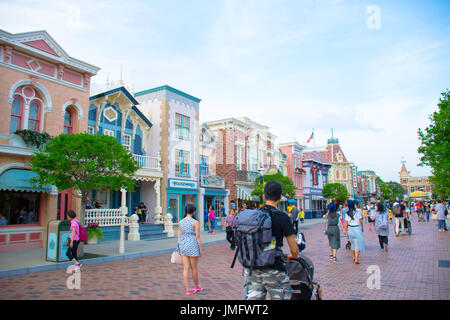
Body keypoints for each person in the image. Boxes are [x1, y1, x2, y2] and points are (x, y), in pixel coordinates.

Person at [242, 181, 299, 300]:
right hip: (274, 267)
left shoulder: (254, 215)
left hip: (252, 267)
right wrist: (293, 256)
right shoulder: (283, 217)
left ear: (263, 196)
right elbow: (294, 249)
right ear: (279, 197)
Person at [177, 203, 203, 295]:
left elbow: (180, 234)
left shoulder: (181, 221)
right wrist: (200, 249)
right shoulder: (195, 222)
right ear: (194, 211)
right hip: (192, 244)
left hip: (183, 244)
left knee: (186, 268)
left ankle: (188, 289)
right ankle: (196, 285)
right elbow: (198, 237)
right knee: (194, 268)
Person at [343, 200, 365, 264]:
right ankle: (356, 259)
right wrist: (362, 228)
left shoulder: (347, 213)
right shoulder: (358, 212)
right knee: (357, 244)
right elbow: (361, 221)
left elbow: (346, 223)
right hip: (357, 228)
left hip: (350, 229)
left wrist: (345, 230)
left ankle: (353, 256)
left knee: (352, 244)